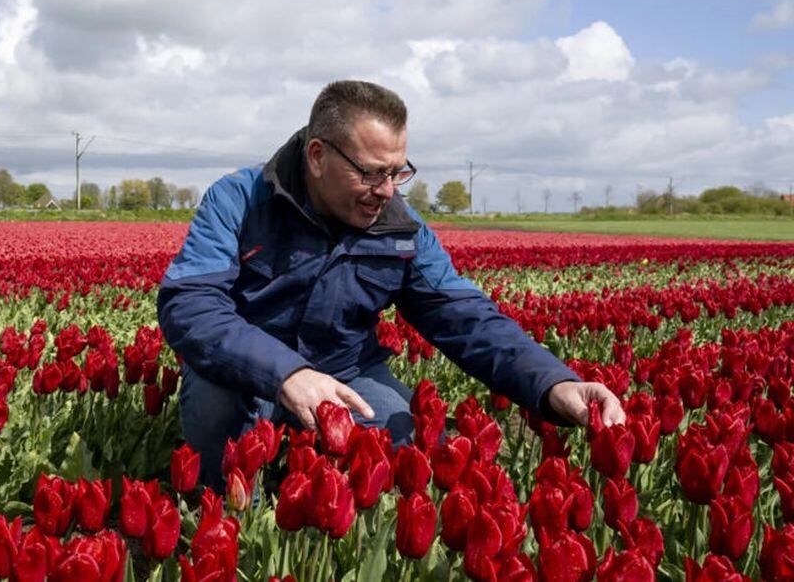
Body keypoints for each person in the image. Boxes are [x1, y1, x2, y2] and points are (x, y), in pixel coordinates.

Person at [156, 80, 625, 491]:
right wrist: (287, 375)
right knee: (219, 415)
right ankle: (237, 513)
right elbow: (191, 305)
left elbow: (463, 315)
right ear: (317, 156)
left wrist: (554, 383)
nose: (387, 190)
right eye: (371, 172)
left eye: (397, 171)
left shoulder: (399, 228)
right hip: (246, 373)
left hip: (346, 376)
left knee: (419, 454)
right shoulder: (240, 200)